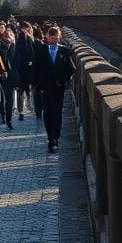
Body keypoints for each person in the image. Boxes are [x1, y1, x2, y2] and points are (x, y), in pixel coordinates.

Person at [33, 25, 77, 153]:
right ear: (47, 36)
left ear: (59, 37)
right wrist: (34, 85)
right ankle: (50, 137)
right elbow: (35, 69)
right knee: (47, 111)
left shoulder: (64, 51)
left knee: (57, 112)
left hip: (58, 87)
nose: (53, 38)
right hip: (45, 87)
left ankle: (56, 137)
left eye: (55, 36)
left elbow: (72, 68)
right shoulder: (41, 50)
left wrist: (62, 80)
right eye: (51, 36)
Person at [14, 22, 38, 121]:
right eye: (28, 28)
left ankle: (25, 110)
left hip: (27, 68)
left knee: (25, 91)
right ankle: (23, 111)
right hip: (25, 69)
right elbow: (25, 52)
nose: (29, 30)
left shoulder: (31, 39)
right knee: (23, 91)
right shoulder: (23, 37)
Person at [0, 29, 18, 130]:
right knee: (1, 98)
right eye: (6, 35)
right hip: (1, 75)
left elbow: (17, 61)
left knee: (10, 99)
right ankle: (3, 116)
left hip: (11, 76)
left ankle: (9, 119)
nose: (7, 38)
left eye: (9, 36)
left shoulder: (14, 47)